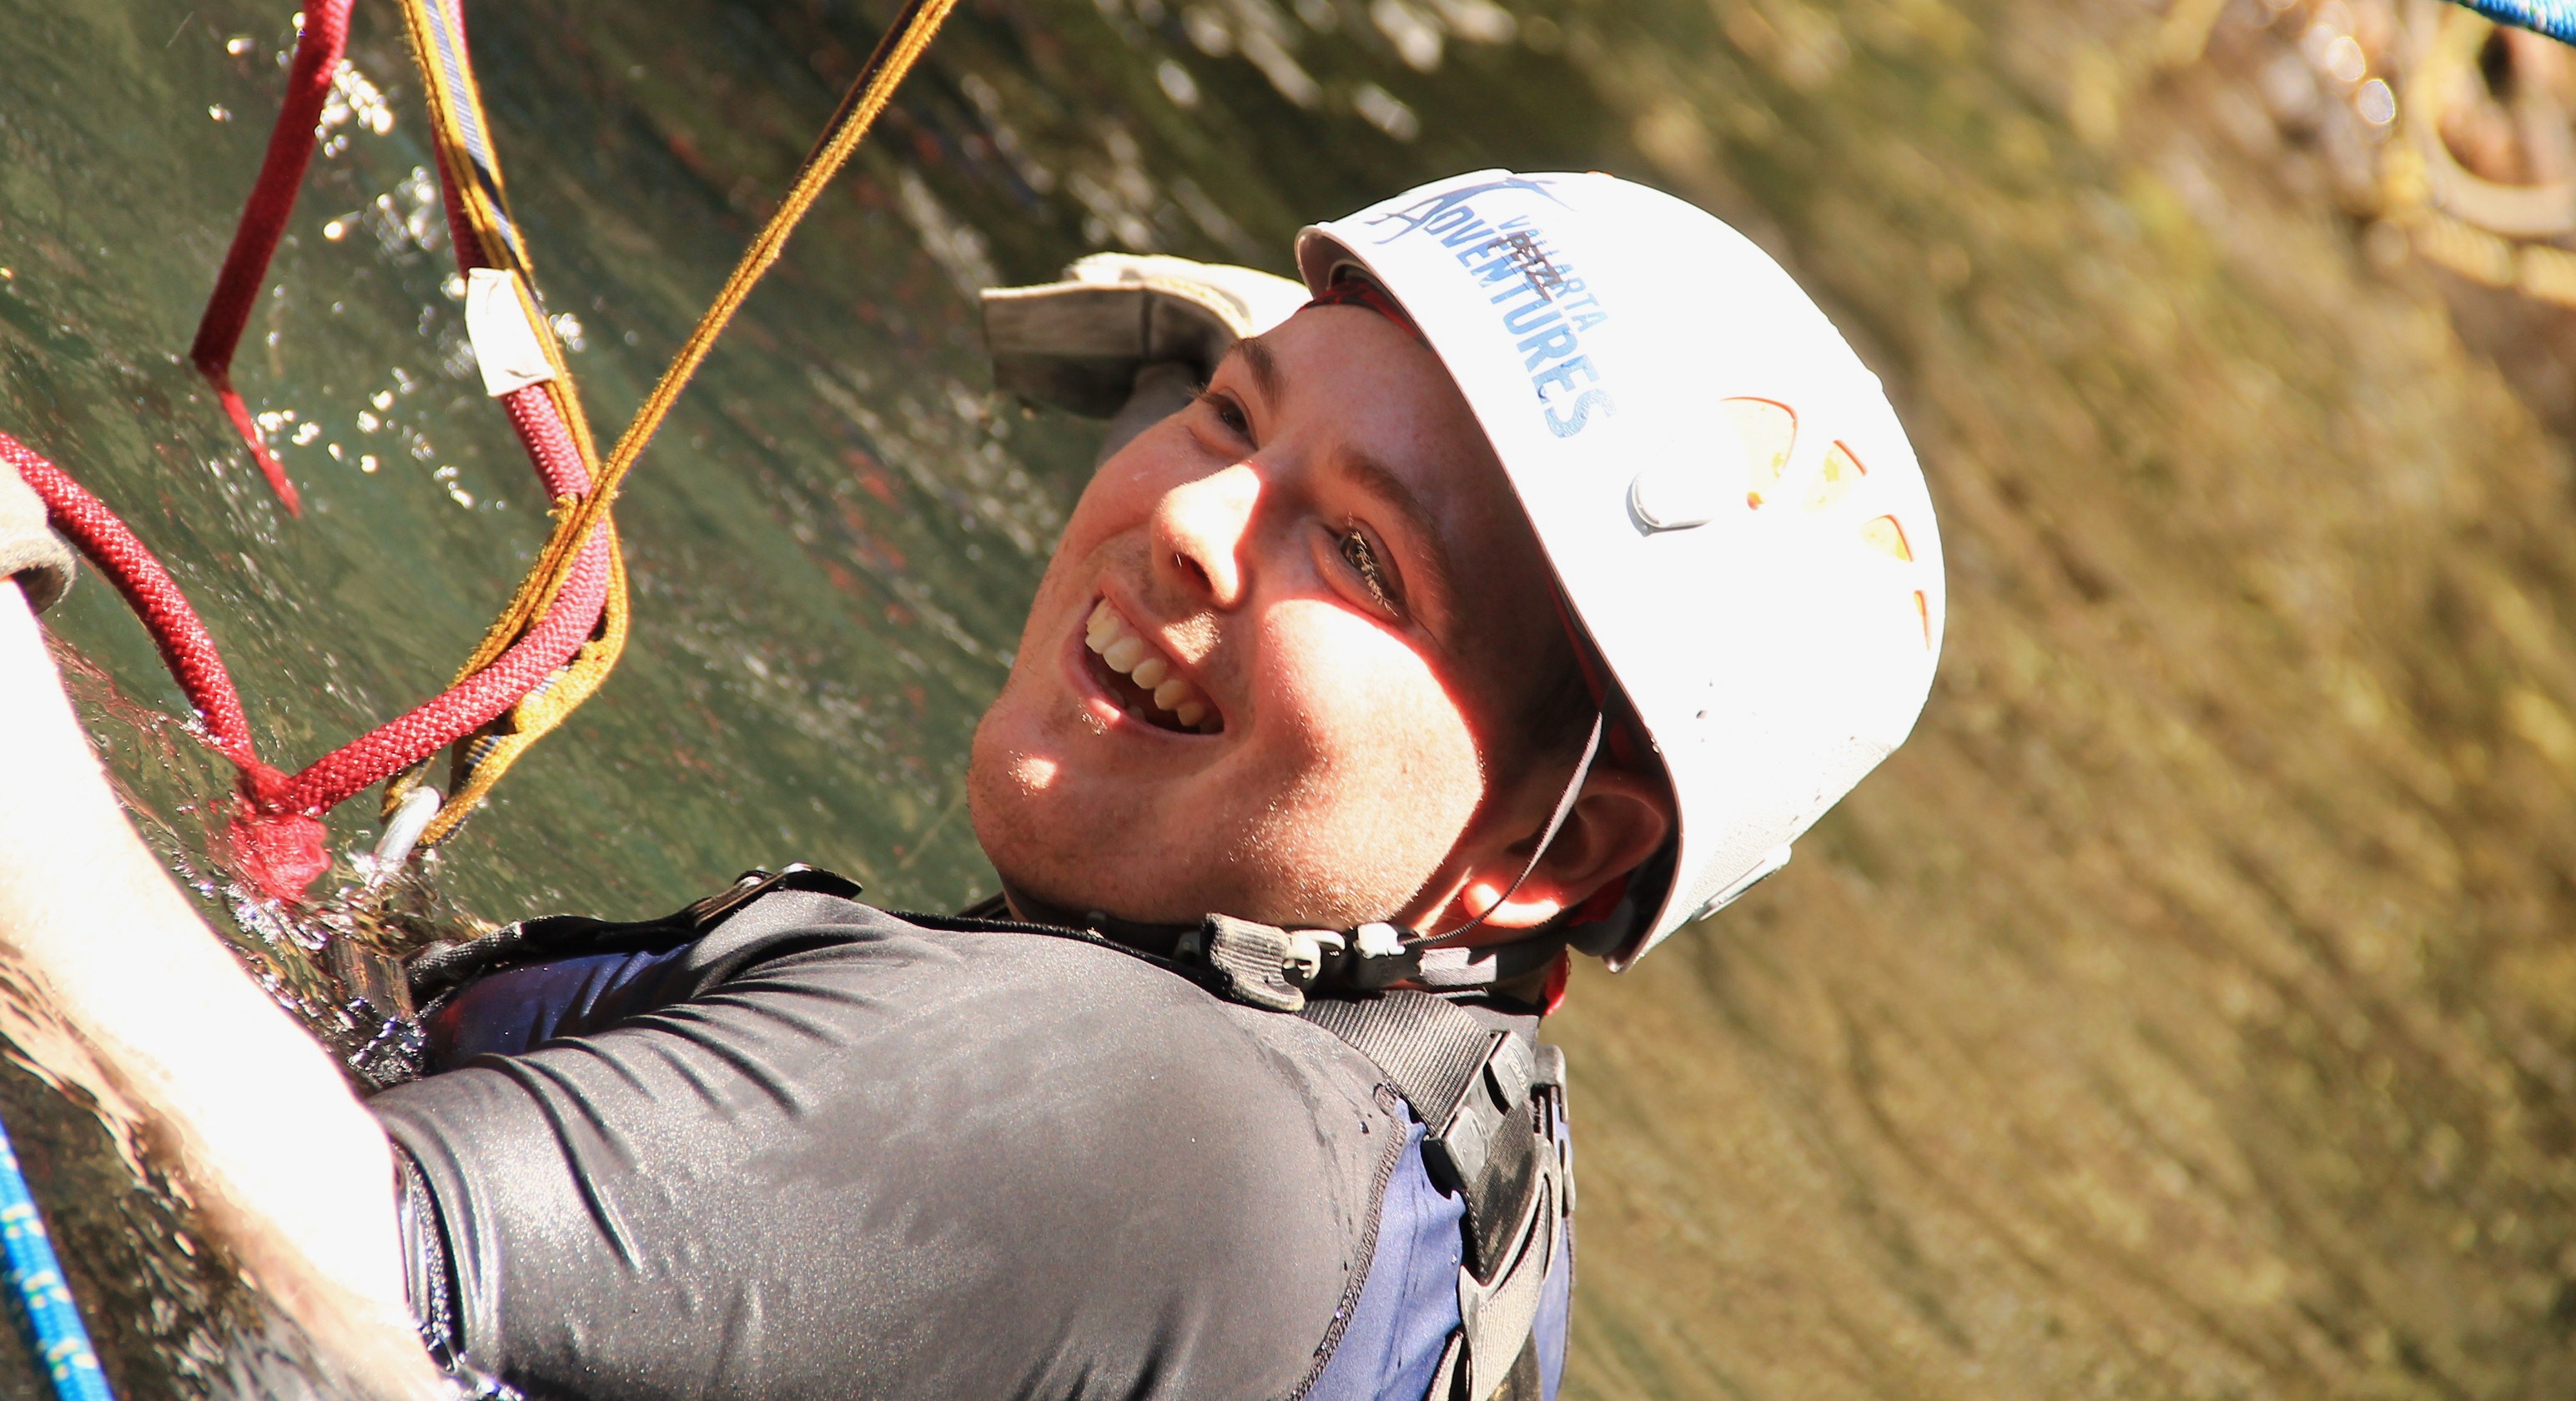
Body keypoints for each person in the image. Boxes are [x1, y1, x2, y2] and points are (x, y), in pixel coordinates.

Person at [0, 169, 1944, 1401]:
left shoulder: (1166, 1127)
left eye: (1362, 554)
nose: (1190, 517)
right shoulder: (1445, 1177)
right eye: (1230, 413)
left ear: (1550, 844)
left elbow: (352, 1257)